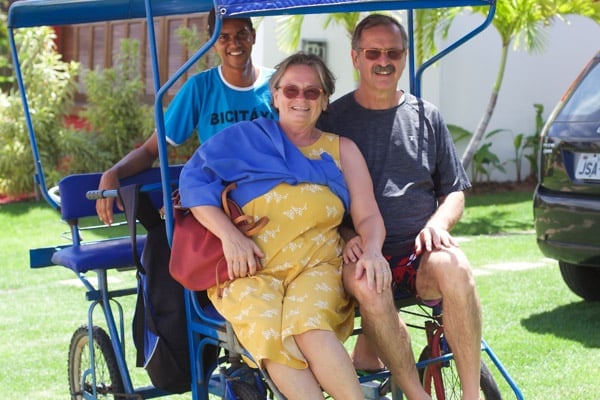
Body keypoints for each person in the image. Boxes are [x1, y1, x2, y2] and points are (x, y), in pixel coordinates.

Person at [178, 52, 390, 400]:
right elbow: (193, 185)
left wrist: (370, 249)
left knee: (310, 328)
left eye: (311, 92)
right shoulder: (242, 140)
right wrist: (230, 237)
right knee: (269, 332)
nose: (300, 99)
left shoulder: (342, 150)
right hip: (249, 269)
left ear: (324, 100)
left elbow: (367, 216)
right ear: (274, 96)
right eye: (290, 90)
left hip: (316, 266)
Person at [318, 14, 482, 400]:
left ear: (404, 56)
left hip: (418, 255)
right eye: (373, 52)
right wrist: (345, 234)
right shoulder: (331, 121)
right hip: (358, 255)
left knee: (456, 266)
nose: (383, 60)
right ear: (356, 57)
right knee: (369, 284)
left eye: (392, 52)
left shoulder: (427, 116)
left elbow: (454, 191)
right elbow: (316, 200)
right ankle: (414, 394)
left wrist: (440, 224)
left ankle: (472, 396)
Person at [96, 9, 276, 225]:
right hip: (222, 201)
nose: (234, 44)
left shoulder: (278, 85)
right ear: (212, 41)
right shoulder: (200, 88)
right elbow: (150, 150)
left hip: (272, 190)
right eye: (223, 37)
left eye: (241, 34)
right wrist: (112, 173)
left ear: (253, 36)